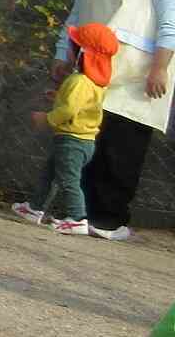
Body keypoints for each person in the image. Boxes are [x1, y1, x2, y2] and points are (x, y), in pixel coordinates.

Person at [51, 0, 175, 239]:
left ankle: (111, 219)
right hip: (90, 69)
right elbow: (77, 14)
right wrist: (62, 54)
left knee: (121, 146)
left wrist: (159, 68)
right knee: (84, 140)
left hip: (135, 73)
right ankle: (78, 212)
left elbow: (173, 22)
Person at [11, 22, 119, 235]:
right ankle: (35, 207)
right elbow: (81, 105)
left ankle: (77, 218)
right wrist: (58, 96)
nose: (68, 51)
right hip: (83, 141)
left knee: (68, 180)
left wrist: (47, 118)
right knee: (50, 172)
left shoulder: (79, 81)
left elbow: (69, 110)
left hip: (72, 140)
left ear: (82, 53)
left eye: (72, 46)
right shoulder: (95, 82)